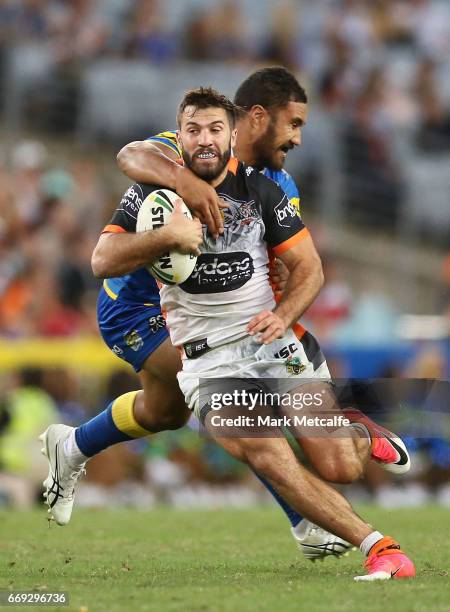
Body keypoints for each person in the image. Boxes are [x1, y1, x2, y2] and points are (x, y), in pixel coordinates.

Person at [40, 69, 407, 562]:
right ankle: (304, 520)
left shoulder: (274, 185)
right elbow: (129, 156)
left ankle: (72, 447)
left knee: (167, 411)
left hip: (218, 313)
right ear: (257, 118)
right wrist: (184, 183)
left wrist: (291, 341)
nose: (297, 138)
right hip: (135, 304)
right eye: (292, 124)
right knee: (233, 402)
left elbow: (283, 277)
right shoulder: (183, 149)